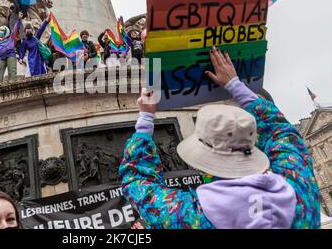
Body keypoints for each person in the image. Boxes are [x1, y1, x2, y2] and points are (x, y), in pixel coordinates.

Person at [119, 48, 320, 229]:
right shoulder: (299, 188)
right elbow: (282, 131)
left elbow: (137, 182)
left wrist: (146, 117)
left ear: (204, 159)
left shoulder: (190, 216)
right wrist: (235, 84)